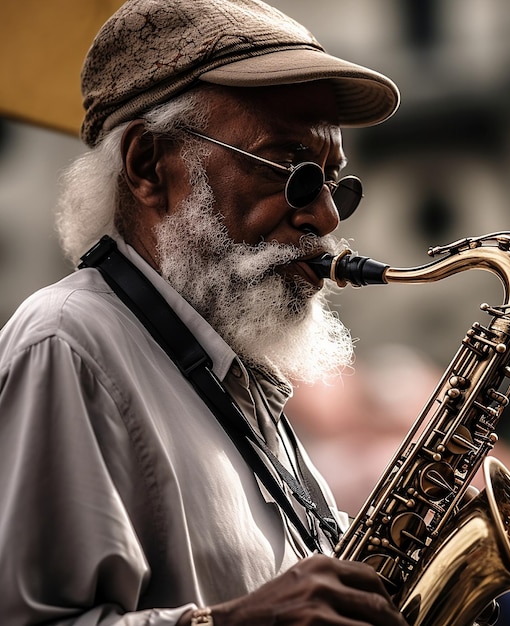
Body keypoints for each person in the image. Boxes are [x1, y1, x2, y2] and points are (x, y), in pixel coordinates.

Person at [0, 0, 407, 624]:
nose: (326, 217)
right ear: (148, 166)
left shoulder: (240, 380)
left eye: (335, 183)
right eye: (292, 171)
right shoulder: (67, 343)